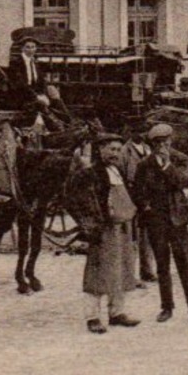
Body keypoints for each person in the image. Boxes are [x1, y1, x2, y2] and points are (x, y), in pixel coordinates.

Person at [131, 123, 188, 325]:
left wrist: (166, 165)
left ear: (171, 140)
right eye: (157, 142)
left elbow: (181, 182)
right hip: (156, 221)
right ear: (152, 144)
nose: (162, 146)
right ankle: (167, 307)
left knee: (186, 265)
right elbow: (137, 191)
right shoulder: (144, 165)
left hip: (177, 219)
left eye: (165, 141)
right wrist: (144, 206)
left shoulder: (180, 159)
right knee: (162, 266)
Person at [75, 134, 142, 334]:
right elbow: (73, 197)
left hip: (122, 227)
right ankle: (92, 317)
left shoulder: (117, 170)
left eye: (118, 150)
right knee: (98, 272)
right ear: (100, 150)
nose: (115, 153)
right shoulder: (89, 173)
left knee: (122, 267)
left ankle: (117, 313)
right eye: (111, 149)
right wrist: (89, 223)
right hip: (103, 229)